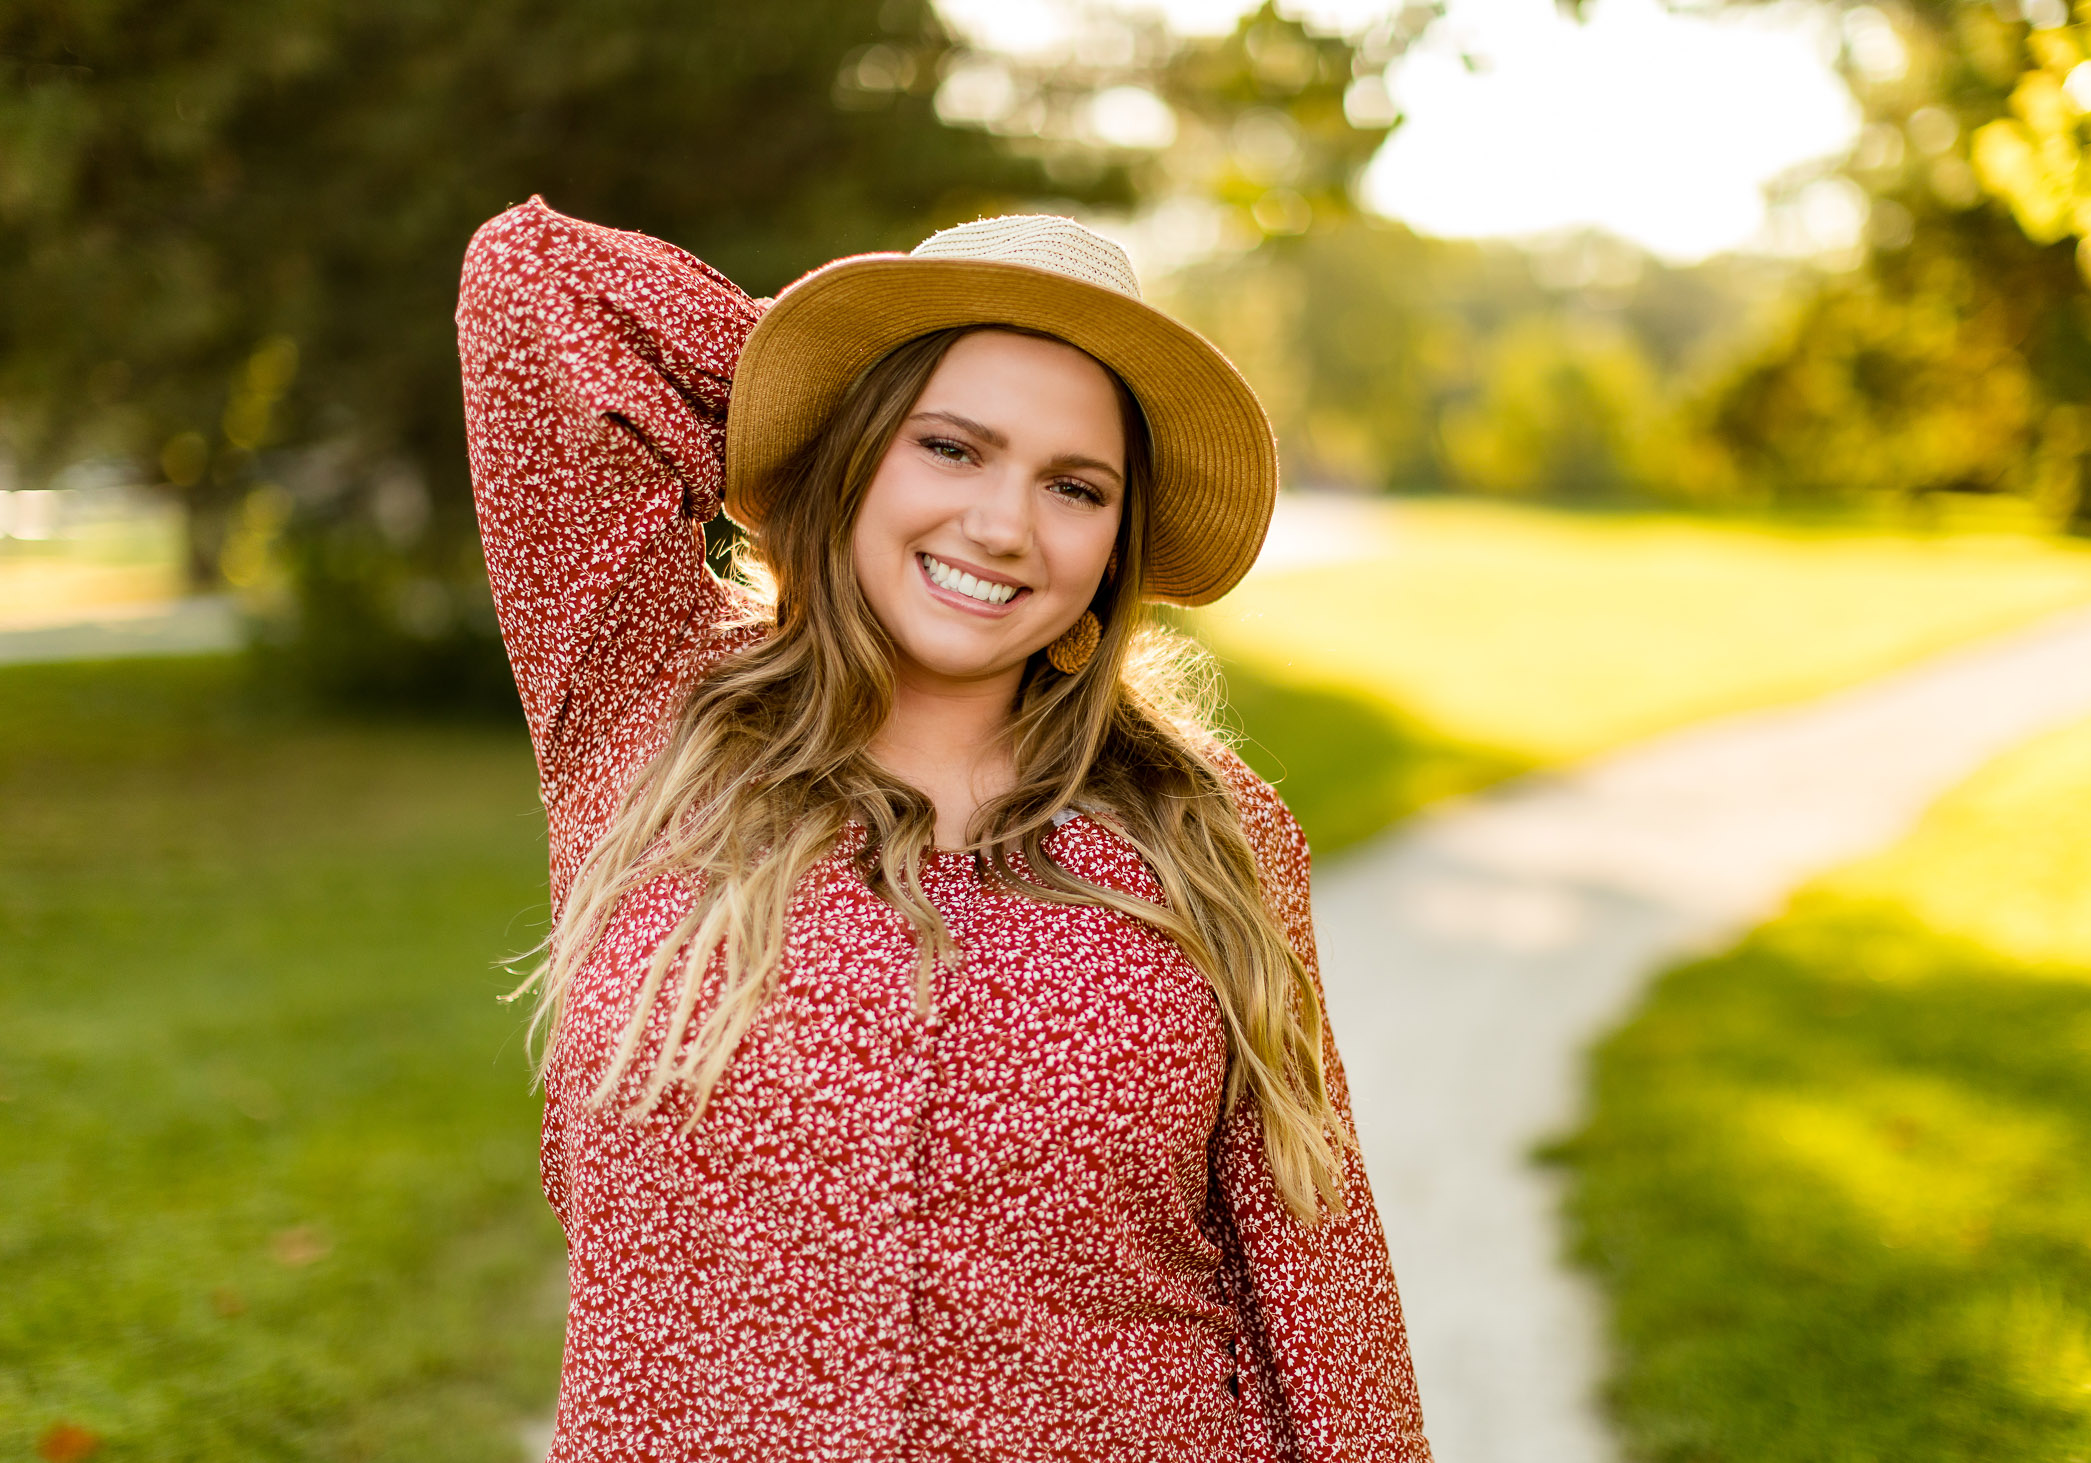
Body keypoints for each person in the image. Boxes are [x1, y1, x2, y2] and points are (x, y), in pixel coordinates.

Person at [456, 196, 1429, 1462]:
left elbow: (1317, 1269)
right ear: (857, 448)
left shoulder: (1211, 831)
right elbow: (529, 282)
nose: (1003, 525)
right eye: (952, 448)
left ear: (1117, 540)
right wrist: (819, 373)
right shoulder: (647, 710)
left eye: (1074, 485)